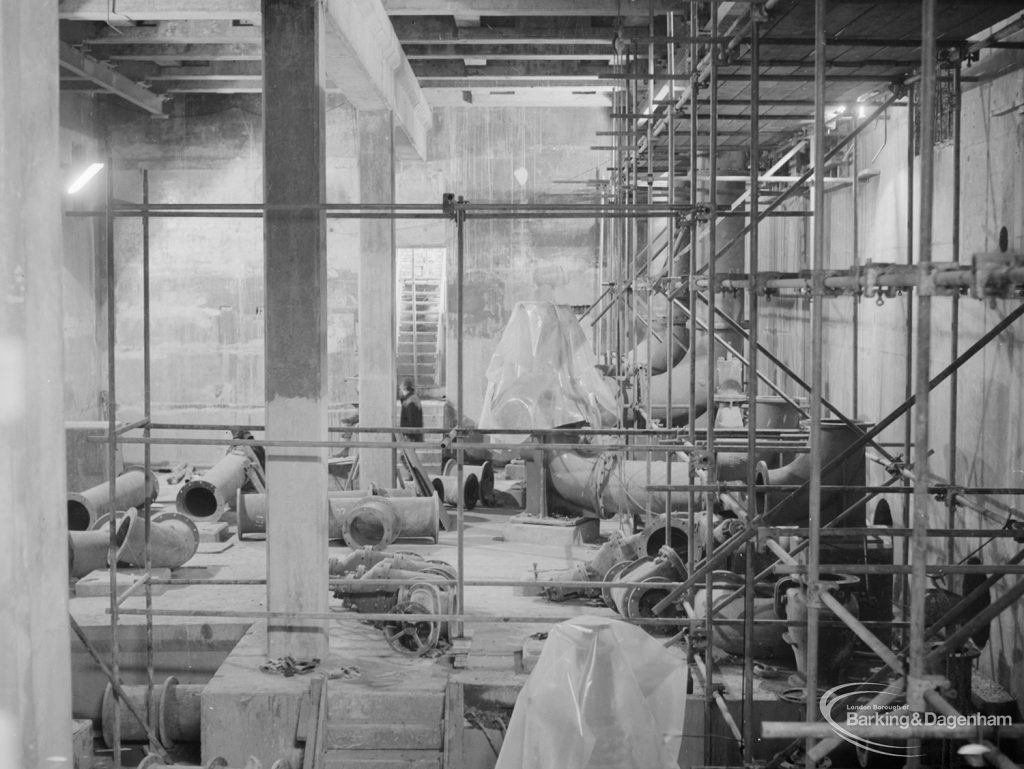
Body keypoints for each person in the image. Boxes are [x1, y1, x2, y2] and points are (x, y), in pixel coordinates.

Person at [399, 378, 424, 442]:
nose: (400, 389)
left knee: (408, 451)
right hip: (410, 435)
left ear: (404, 387)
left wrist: (407, 435)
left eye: (401, 387)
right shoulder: (412, 398)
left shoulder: (410, 401)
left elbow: (412, 421)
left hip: (409, 436)